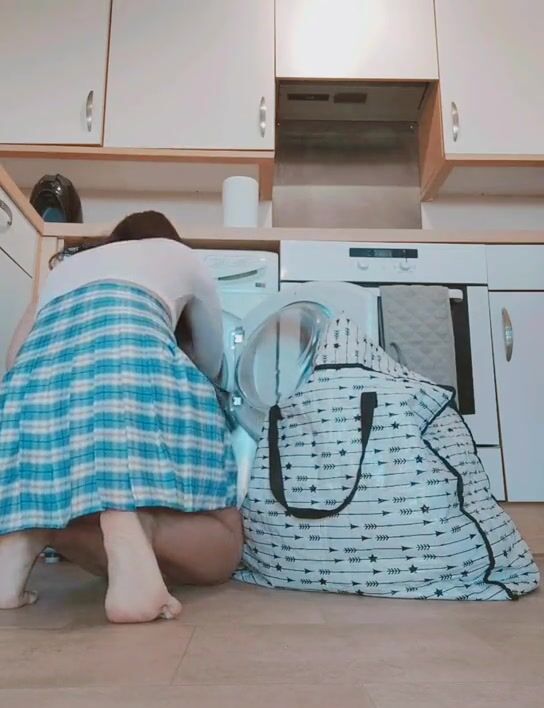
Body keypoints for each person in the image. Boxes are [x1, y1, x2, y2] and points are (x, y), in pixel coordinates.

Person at [0, 211, 242, 623]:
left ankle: (24, 542)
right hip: (127, 370)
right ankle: (128, 522)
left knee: (60, 490)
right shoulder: (180, 256)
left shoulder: (64, 270)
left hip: (29, 399)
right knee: (226, 539)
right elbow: (211, 361)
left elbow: (14, 359)